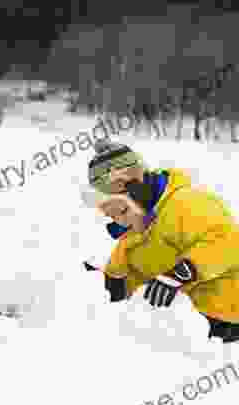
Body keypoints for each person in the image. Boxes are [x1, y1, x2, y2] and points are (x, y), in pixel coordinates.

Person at [83, 139, 239, 342]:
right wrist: (104, 286)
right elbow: (125, 276)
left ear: (135, 188)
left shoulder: (186, 204)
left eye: (119, 209)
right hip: (193, 334)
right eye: (109, 213)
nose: (117, 219)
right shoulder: (134, 234)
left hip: (230, 321)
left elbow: (228, 244)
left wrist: (184, 272)